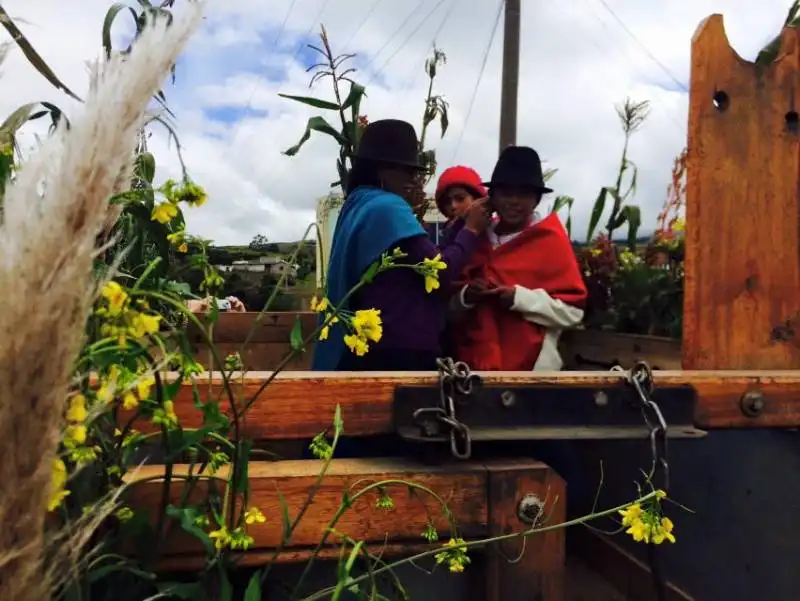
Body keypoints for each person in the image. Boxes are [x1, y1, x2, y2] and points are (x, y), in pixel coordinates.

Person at [311, 119, 489, 372]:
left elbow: (416, 259)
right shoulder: (388, 207)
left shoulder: (358, 204)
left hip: (372, 351)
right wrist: (471, 230)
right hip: (399, 352)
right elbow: (439, 270)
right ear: (383, 170)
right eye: (407, 171)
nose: (413, 179)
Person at [450, 145, 587, 371]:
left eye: (523, 193)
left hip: (532, 376)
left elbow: (573, 313)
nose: (514, 201)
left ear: (536, 200)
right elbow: (446, 308)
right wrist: (467, 296)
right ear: (491, 197)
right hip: (470, 370)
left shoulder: (550, 241)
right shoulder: (474, 238)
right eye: (505, 192)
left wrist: (518, 298)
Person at [434, 165, 487, 247]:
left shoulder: (495, 232)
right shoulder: (448, 235)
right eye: (447, 202)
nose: (453, 206)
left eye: (460, 198)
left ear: (477, 199)